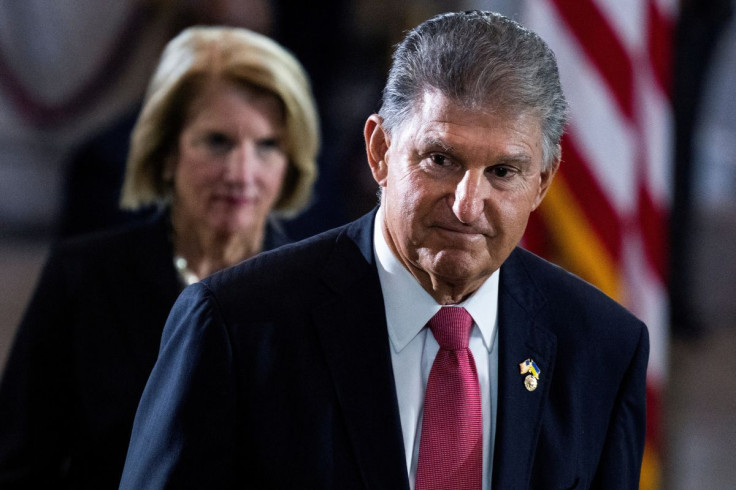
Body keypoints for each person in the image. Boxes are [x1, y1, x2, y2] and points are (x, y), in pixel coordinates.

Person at [120, 11, 648, 490]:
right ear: (379, 152)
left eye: (502, 172)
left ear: (541, 182)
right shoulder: (236, 327)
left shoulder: (602, 348)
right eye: (440, 159)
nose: (467, 204)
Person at [0, 26, 319, 489]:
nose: (242, 173)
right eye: (217, 142)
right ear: (167, 152)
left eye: (268, 145)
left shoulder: (320, 292)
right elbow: (19, 465)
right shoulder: (83, 279)